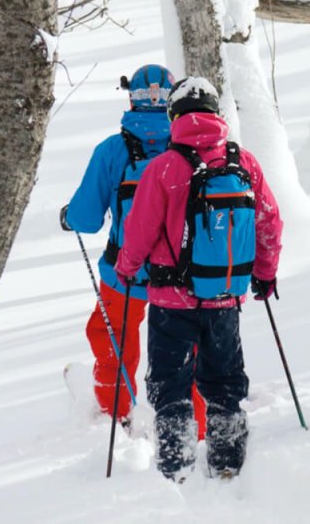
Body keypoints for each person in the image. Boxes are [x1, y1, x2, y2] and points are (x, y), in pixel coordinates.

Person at [116, 77, 283, 481]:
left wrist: (126, 269)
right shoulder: (242, 162)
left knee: (170, 385)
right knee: (225, 382)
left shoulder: (164, 168)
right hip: (224, 297)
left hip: (171, 302)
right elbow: (269, 221)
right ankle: (228, 464)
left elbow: (139, 231)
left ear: (175, 116)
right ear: (216, 114)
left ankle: (176, 468)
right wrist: (264, 274)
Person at [60, 64, 211, 433]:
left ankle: (117, 413)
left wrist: (69, 217)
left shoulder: (112, 151)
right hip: (184, 275)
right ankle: (198, 423)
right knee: (190, 349)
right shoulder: (195, 147)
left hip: (124, 273)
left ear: (131, 97)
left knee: (112, 339)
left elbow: (87, 218)